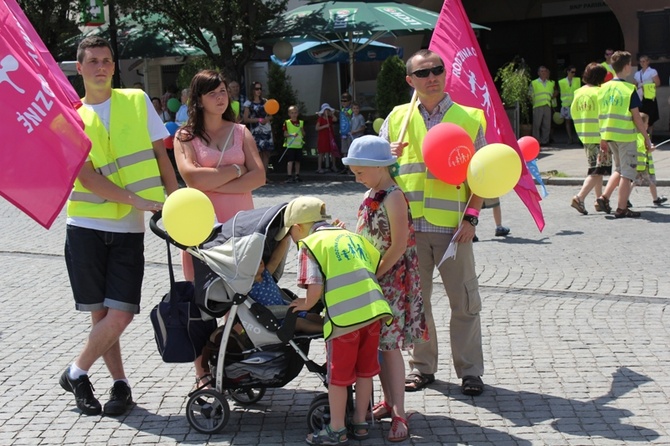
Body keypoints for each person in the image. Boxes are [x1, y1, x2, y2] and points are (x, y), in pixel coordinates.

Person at [60, 36, 179, 416]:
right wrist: (142, 202)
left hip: (129, 229)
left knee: (121, 313)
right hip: (85, 225)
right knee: (103, 315)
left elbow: (163, 155)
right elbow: (88, 178)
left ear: (114, 66)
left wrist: (175, 201)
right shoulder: (68, 115)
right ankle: (120, 386)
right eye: (92, 61)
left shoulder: (137, 100)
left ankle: (76, 372)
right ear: (79, 68)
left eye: (107, 61)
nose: (101, 67)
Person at [378, 49, 487, 396]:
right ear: (410, 80)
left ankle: (470, 371)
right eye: (423, 73)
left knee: (465, 303)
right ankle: (423, 368)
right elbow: (373, 176)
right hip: (408, 230)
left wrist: (472, 217)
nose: (432, 77)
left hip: (454, 229)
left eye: (437, 70)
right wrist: (385, 158)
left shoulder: (469, 118)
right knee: (418, 303)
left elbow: (484, 176)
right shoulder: (396, 118)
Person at [174, 70, 266, 386]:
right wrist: (235, 171)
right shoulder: (184, 137)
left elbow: (259, 177)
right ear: (198, 99)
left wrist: (216, 181)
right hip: (200, 230)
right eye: (212, 92)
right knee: (203, 305)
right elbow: (192, 179)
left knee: (240, 302)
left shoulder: (241, 131)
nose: (220, 97)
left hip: (240, 228)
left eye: (223, 90)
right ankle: (202, 372)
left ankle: (231, 366)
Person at [276, 196, 392, 445]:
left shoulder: (311, 244)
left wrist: (304, 304)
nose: (292, 240)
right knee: (363, 373)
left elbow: (315, 288)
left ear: (298, 227)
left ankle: (337, 429)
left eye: (291, 234)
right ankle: (360, 423)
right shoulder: (350, 236)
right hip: (373, 313)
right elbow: (372, 262)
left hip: (344, 320)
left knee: (338, 378)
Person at [343, 136, 428, 442]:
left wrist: (376, 274)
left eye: (359, 171)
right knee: (378, 345)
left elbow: (399, 245)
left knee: (389, 348)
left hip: (390, 282)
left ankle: (400, 413)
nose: (356, 177)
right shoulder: (372, 192)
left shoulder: (393, 196)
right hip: (375, 280)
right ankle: (389, 401)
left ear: (378, 167)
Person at [595, 51, 652, 219]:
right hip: (626, 136)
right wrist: (646, 138)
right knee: (628, 173)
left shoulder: (603, 88)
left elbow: (601, 114)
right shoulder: (629, 89)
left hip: (610, 134)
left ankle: (603, 197)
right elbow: (636, 117)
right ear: (627, 67)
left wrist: (602, 138)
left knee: (619, 169)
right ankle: (621, 209)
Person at [248, 234, 323, 334]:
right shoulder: (249, 286)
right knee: (300, 323)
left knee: (312, 316)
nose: (259, 261)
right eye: (254, 262)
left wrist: (284, 240)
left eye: (259, 259)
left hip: (288, 311)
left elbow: (275, 259)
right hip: (274, 319)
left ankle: (337, 327)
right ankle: (327, 330)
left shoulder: (266, 275)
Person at [569, 62, 613, 215]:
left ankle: (598, 200)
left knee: (597, 169)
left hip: (586, 135)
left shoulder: (578, 92)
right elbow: (604, 115)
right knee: (597, 170)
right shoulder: (599, 92)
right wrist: (605, 136)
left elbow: (574, 113)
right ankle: (579, 197)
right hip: (599, 136)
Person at [634, 112, 667, 206]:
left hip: (644, 164)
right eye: (646, 123)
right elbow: (641, 149)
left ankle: (655, 199)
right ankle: (626, 199)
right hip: (642, 165)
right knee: (636, 182)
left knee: (651, 182)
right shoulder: (640, 136)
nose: (648, 125)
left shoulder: (642, 136)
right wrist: (650, 149)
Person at [243, 81, 274, 173]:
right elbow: (245, 119)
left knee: (266, 153)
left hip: (267, 130)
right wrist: (258, 120)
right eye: (257, 89)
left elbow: (271, 115)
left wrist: (267, 119)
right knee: (258, 153)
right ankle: (259, 175)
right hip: (256, 131)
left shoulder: (266, 102)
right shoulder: (248, 103)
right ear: (252, 90)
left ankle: (264, 175)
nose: (259, 91)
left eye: (260, 88)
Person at [633, 55, 661, 136]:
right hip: (640, 97)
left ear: (648, 62)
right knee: (641, 116)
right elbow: (635, 84)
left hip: (649, 97)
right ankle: (642, 136)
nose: (642, 63)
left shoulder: (652, 71)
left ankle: (650, 136)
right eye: (641, 61)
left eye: (644, 61)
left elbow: (658, 83)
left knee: (651, 117)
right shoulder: (638, 73)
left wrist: (646, 86)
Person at [530, 65, 557, 146]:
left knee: (546, 125)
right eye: (542, 71)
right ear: (538, 73)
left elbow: (554, 92)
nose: (544, 73)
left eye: (545, 71)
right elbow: (530, 94)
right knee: (537, 125)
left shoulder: (550, 83)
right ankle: (536, 142)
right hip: (537, 106)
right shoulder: (534, 83)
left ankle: (545, 141)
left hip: (547, 105)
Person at [283, 105, 306, 184]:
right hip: (290, 145)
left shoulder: (301, 123)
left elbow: (303, 134)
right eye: (292, 113)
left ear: (298, 113)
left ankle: (297, 175)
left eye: (295, 113)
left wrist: (302, 131)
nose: (294, 114)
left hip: (298, 145)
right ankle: (289, 176)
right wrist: (291, 135)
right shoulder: (287, 122)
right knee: (290, 161)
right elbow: (285, 134)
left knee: (298, 161)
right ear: (289, 114)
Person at [558, 65, 581, 144]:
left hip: (575, 104)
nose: (574, 73)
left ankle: (579, 138)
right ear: (568, 71)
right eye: (572, 72)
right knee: (567, 122)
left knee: (577, 122)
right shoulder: (561, 82)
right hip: (566, 104)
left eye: (575, 72)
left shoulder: (578, 80)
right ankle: (570, 138)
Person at [315, 103, 339, 174]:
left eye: (328, 110)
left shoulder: (330, 118)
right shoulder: (320, 119)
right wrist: (325, 126)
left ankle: (333, 166)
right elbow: (317, 128)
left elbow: (335, 119)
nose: (327, 112)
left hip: (330, 137)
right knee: (321, 153)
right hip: (323, 138)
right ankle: (319, 168)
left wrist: (332, 114)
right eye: (325, 110)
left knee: (333, 152)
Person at [339, 92, 353, 161]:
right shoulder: (342, 110)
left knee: (350, 149)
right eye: (342, 101)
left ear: (349, 101)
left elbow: (349, 116)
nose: (343, 102)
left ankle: (350, 167)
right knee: (344, 150)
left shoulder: (351, 110)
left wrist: (348, 114)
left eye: (345, 101)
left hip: (349, 132)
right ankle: (345, 167)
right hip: (343, 132)